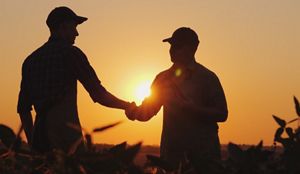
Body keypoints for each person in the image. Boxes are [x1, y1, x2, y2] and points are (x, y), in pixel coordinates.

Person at [17, 6, 134, 153]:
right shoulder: (71, 54)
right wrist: (128, 106)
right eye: (74, 27)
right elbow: (98, 94)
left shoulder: (30, 61)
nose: (77, 33)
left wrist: (33, 143)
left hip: (40, 137)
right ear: (63, 27)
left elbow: (23, 109)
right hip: (67, 137)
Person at [126, 27, 228, 168]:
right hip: (172, 158)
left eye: (178, 46)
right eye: (171, 46)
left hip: (204, 159)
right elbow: (147, 112)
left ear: (193, 48)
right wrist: (131, 110)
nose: (172, 50)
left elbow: (222, 114)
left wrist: (193, 109)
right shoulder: (162, 79)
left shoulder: (208, 78)